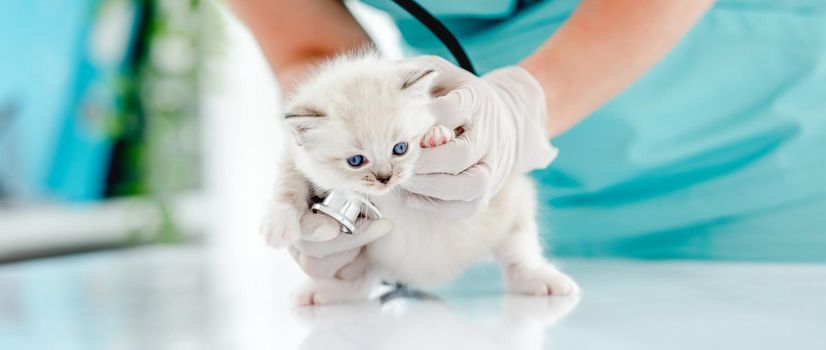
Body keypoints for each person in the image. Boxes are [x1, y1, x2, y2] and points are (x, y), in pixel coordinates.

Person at [230, 0, 826, 279]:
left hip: (768, 165)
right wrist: (325, 164)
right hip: (502, 212)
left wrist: (521, 110)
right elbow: (308, 49)